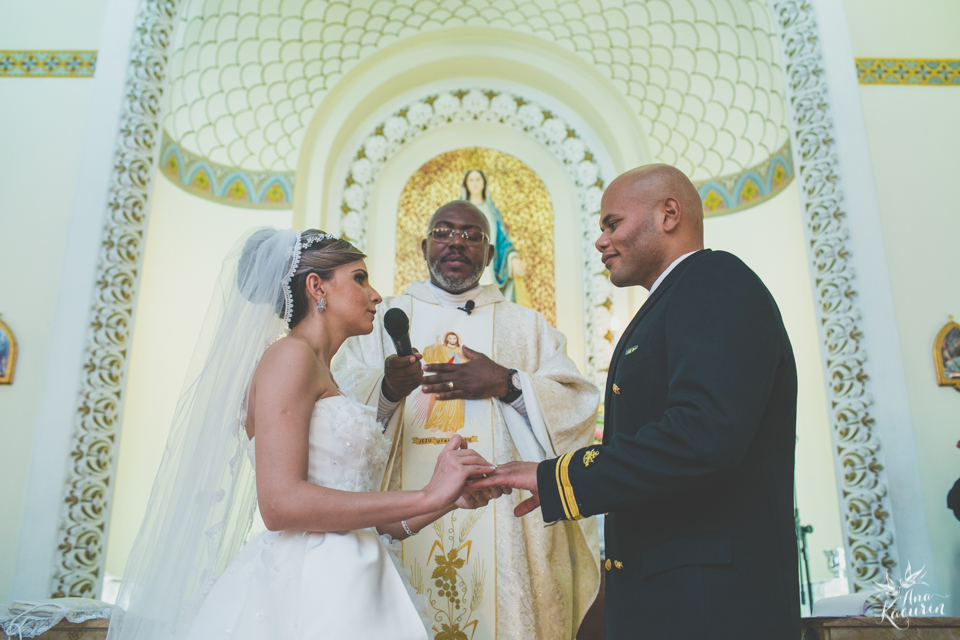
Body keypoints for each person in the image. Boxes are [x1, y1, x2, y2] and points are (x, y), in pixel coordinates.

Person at [108, 228, 501, 640]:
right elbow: (280, 504)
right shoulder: (288, 357)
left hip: (355, 582)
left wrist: (447, 500)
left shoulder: (320, 370)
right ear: (317, 287)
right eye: (360, 278)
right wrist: (426, 494)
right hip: (307, 591)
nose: (376, 296)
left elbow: (364, 522)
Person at [474, 165, 802, 640]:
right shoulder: (673, 298)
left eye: (612, 224)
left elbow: (701, 435)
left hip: (711, 602)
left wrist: (559, 478)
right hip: (673, 599)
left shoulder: (713, 281)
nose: (601, 241)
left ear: (669, 214)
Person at [333, 201, 601, 640]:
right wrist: (386, 389)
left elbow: (576, 406)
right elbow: (336, 407)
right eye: (444, 231)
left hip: (505, 525)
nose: (456, 242)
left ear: (490, 255)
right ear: (424, 246)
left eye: (471, 235)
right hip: (400, 522)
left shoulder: (527, 326)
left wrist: (508, 383)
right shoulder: (379, 320)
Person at [461, 168, 531, 307]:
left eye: (478, 179)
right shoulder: (461, 210)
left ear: (484, 183)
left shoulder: (492, 212)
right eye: (471, 180)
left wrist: (512, 258)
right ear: (466, 184)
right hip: (466, 263)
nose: (475, 183)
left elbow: (501, 240)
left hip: (489, 265)